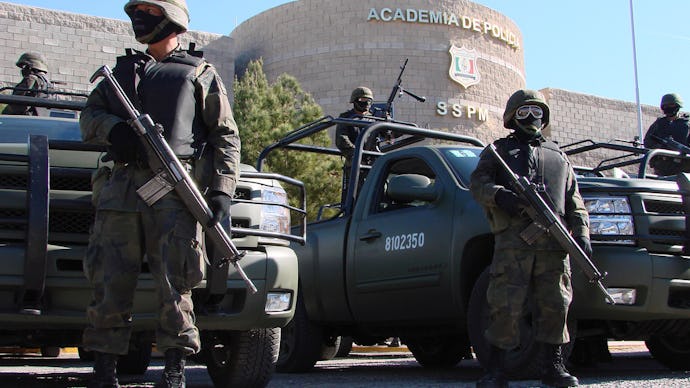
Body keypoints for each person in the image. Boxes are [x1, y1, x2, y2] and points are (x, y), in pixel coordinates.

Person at [79, 1, 241, 387]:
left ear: (172, 20)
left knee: (176, 284)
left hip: (173, 190)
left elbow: (226, 137)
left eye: (152, 10)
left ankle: (174, 370)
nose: (141, 18)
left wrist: (221, 192)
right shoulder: (120, 74)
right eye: (139, 10)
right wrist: (114, 131)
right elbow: (89, 117)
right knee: (109, 282)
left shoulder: (199, 73)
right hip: (120, 191)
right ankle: (104, 372)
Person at [470, 89, 590, 388]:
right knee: (505, 304)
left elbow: (574, 199)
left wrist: (583, 233)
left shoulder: (558, 155)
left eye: (537, 112)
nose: (532, 118)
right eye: (524, 112)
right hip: (514, 243)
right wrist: (500, 196)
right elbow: (477, 184)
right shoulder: (498, 151)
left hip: (553, 244)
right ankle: (496, 369)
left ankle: (554, 366)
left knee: (556, 304)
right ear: (512, 117)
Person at [643, 93, 690, 176]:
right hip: (663, 168)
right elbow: (647, 142)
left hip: (683, 169)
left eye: (671, 105)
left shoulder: (687, 124)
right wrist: (660, 147)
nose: (668, 108)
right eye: (665, 106)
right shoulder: (659, 124)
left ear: (677, 106)